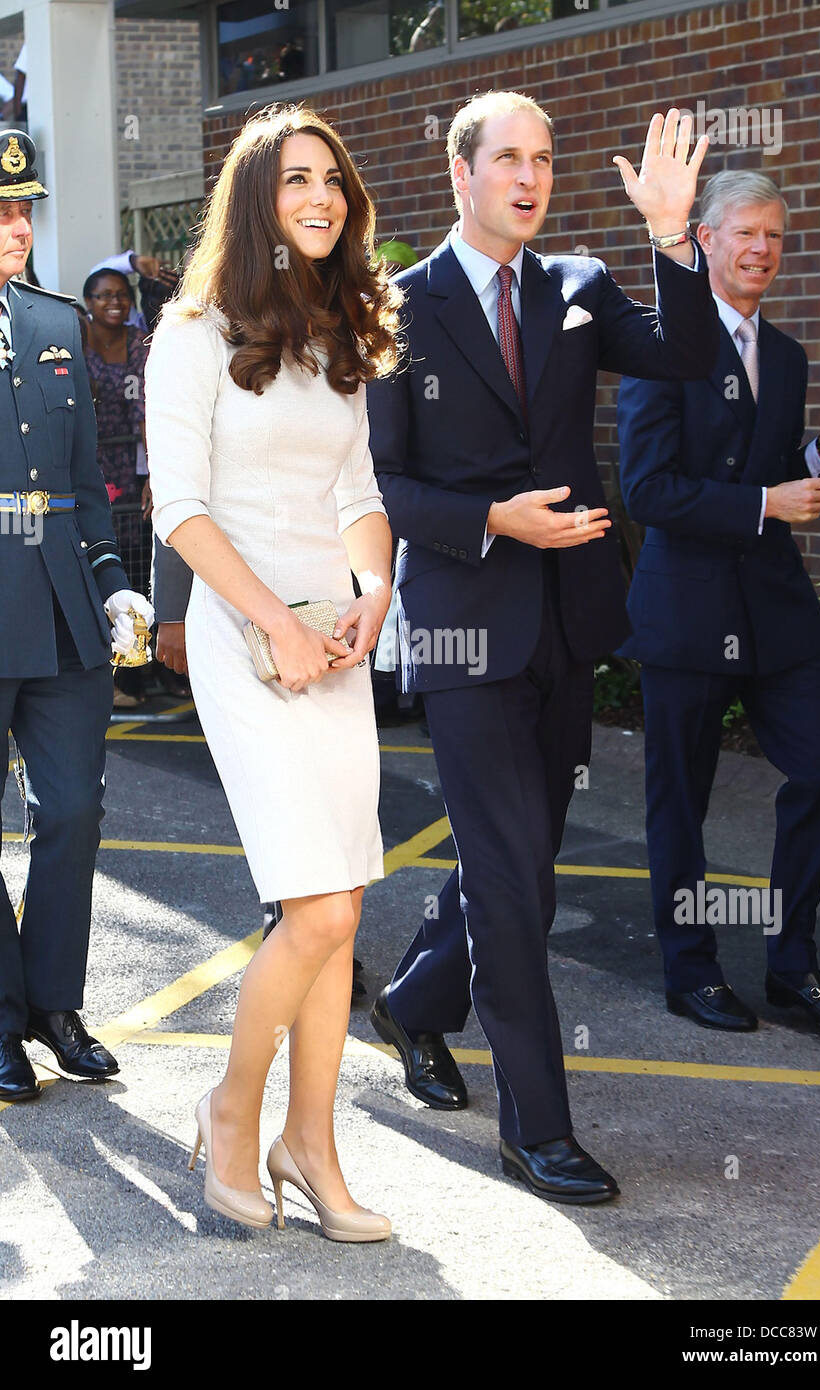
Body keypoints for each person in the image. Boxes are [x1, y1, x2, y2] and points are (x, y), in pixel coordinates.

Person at [366, 91, 718, 1206]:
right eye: (509, 158)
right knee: (515, 881)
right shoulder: (399, 307)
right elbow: (380, 482)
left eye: (547, 159)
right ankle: (537, 1128)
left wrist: (673, 236)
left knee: (517, 862)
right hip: (465, 630)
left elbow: (691, 358)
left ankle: (416, 1003)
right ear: (460, 174)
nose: (532, 176)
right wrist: (489, 519)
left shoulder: (579, 288)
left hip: (569, 622)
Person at [145, 103, 400, 1238]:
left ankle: (315, 1142)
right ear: (257, 199)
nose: (322, 196)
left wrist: (373, 594)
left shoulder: (340, 329)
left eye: (333, 180)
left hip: (329, 638)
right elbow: (181, 510)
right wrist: (278, 626)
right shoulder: (193, 330)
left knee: (341, 911)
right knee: (313, 905)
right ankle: (234, 1110)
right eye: (298, 179)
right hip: (241, 637)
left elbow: (360, 498)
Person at [616, 170, 820, 1036]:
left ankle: (790, 964)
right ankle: (690, 971)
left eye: (774, 237)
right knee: (678, 800)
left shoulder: (787, 355)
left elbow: (759, 469)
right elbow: (644, 490)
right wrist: (765, 504)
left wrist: (816, 453)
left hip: (772, 608)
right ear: (707, 242)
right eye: (745, 233)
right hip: (687, 610)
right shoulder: (661, 345)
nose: (761, 249)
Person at [0, 130, 154, 1102]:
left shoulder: (54, 323)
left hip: (60, 607)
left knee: (75, 810)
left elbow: (86, 486)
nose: (16, 227)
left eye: (23, 209)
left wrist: (113, 582)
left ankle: (55, 1003)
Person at [83, 266, 152, 706]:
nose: (115, 302)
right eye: (104, 295)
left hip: (129, 469)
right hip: (87, 469)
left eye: (123, 294)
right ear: (88, 301)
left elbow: (145, 407)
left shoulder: (137, 344)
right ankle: (98, 676)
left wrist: (155, 474)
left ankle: (135, 670)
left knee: (131, 571)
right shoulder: (72, 336)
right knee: (92, 571)